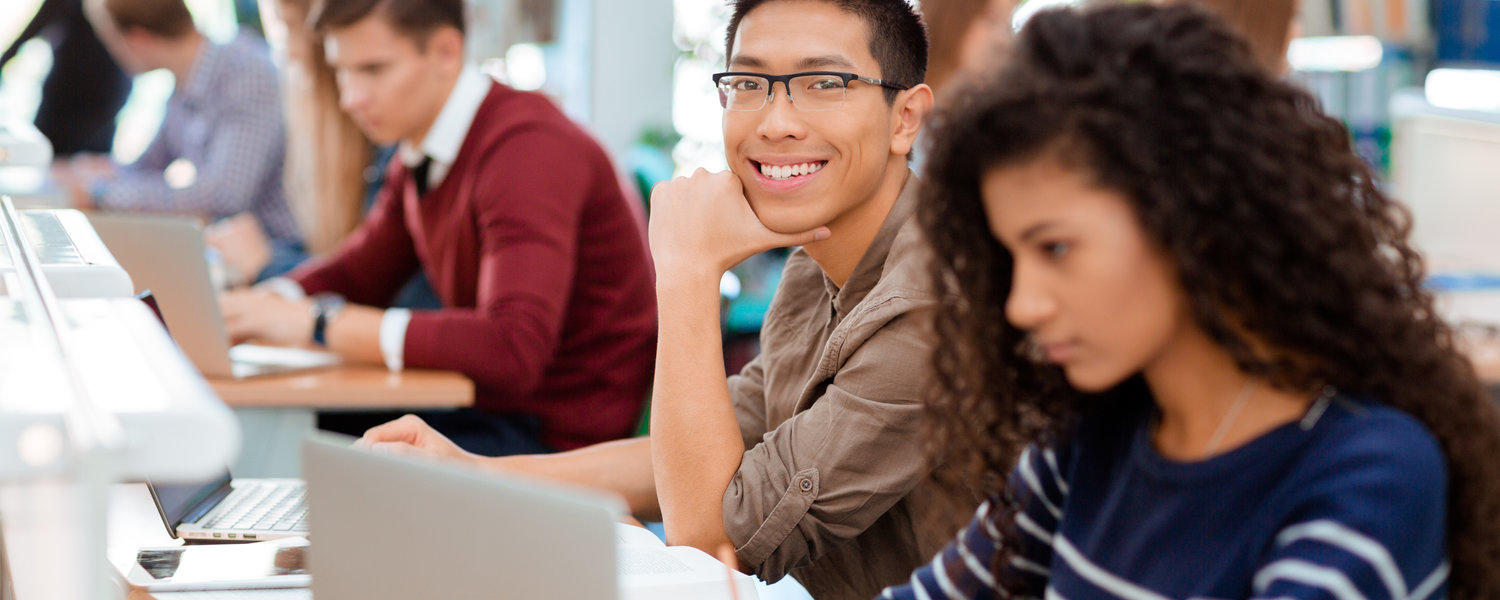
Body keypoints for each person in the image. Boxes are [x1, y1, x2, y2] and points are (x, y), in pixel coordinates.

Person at [358, 1, 973, 598]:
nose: (775, 120)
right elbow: (713, 449)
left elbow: (712, 540)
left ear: (905, 119)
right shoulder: (815, 269)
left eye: (823, 83)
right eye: (750, 83)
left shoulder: (930, 307)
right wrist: (473, 474)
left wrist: (687, 270)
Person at [884, 4, 1500, 599]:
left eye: (1056, 249)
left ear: (1190, 221)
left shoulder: (1363, 478)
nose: (1021, 306)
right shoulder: (1084, 441)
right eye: (1011, 258)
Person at [218, 0, 657, 456]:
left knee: (294, 443)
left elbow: (513, 348)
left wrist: (320, 322)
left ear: (447, 52)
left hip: (555, 441)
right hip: (493, 407)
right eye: (342, 72)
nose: (350, 98)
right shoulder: (424, 146)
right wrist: (263, 304)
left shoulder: (526, 150)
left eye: (372, 70)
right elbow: (360, 270)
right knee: (287, 432)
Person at [69, 0, 301, 283]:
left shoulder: (245, 72)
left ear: (138, 38)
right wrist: (94, 174)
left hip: (281, 258)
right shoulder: (186, 80)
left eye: (111, 41)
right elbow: (146, 166)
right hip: (230, 252)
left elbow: (224, 194)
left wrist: (101, 193)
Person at [1, 0, 133, 157]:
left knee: (89, 163)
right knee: (46, 154)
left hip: (100, 96)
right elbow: (39, 22)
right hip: (67, 91)